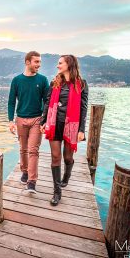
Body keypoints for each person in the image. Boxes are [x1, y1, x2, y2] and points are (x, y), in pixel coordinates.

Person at [40, 54, 88, 205]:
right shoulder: (55, 82)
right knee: (55, 157)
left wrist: (81, 130)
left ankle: (67, 175)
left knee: (67, 157)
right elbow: (48, 103)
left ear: (69, 64)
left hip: (71, 126)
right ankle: (56, 192)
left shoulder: (82, 84)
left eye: (60, 63)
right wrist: (43, 121)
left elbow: (83, 108)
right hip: (54, 124)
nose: (57, 66)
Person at [8, 51, 50, 193]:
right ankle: (24, 172)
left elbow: (47, 102)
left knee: (33, 150)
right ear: (27, 62)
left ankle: (32, 182)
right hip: (20, 119)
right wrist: (10, 120)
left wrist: (45, 120)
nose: (39, 64)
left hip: (37, 119)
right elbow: (11, 102)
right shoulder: (16, 80)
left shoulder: (43, 80)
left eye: (40, 62)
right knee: (23, 149)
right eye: (36, 62)